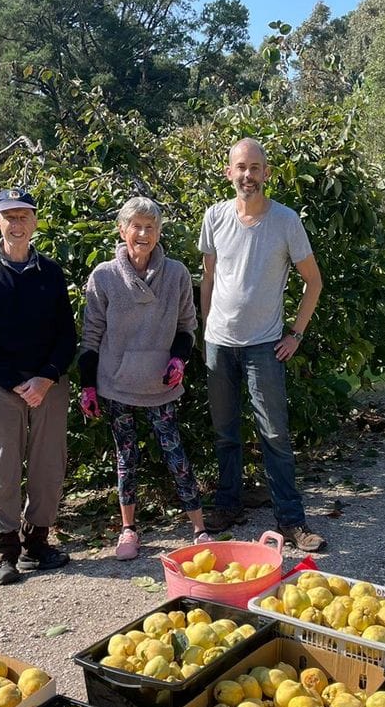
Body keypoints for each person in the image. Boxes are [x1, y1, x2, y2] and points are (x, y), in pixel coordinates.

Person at [198, 138, 327, 552]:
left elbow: (314, 282)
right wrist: (204, 330)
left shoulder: (286, 220)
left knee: (274, 434)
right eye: (241, 167)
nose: (247, 175)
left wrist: (296, 334)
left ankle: (291, 521)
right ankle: (228, 506)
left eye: (255, 168)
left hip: (264, 346)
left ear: (267, 173)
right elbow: (208, 279)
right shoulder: (214, 217)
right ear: (228, 172)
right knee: (225, 433)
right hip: (218, 343)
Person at [78, 196, 212, 560]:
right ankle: (127, 530)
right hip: (116, 383)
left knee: (175, 453)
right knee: (126, 456)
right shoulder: (103, 277)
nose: (143, 233)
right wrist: (87, 385)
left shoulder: (177, 274)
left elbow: (187, 327)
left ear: (158, 233)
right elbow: (91, 336)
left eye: (150, 227)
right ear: (122, 231)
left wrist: (179, 360)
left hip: (160, 382)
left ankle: (199, 529)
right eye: (135, 226)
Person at [0, 188, 76, 585]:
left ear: (35, 222)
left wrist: (45, 378)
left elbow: (67, 335)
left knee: (48, 463)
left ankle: (36, 545)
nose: (17, 224)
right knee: (2, 465)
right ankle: (3, 549)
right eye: (9, 217)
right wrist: (14, 382)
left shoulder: (51, 272)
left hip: (47, 383)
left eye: (24, 216)